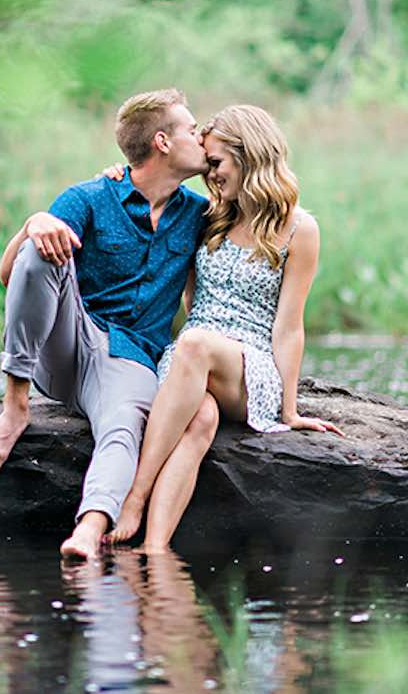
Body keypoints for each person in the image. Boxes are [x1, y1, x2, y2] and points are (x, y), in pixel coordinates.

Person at [0, 88, 210, 561]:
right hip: (67, 344)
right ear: (162, 141)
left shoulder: (198, 216)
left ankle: (89, 529)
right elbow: (11, 275)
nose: (200, 136)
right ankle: (15, 408)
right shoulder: (90, 196)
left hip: (131, 358)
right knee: (41, 246)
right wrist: (32, 223)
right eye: (191, 128)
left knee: (122, 428)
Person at [106, 104, 343, 552]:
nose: (210, 175)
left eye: (216, 163)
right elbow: (150, 183)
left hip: (249, 369)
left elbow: (290, 328)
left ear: (249, 155)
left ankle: (134, 496)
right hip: (193, 363)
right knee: (201, 419)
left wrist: (289, 411)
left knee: (194, 344)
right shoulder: (207, 216)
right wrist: (120, 173)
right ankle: (153, 551)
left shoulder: (299, 229)